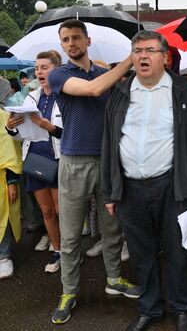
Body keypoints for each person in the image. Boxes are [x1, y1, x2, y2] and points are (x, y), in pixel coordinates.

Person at [102, 30, 187, 331]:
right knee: (140, 252)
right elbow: (109, 143)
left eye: (150, 50)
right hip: (130, 188)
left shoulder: (182, 91)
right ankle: (149, 308)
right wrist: (110, 192)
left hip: (172, 185)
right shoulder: (121, 91)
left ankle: (182, 308)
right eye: (137, 51)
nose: (143, 56)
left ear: (164, 56)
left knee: (176, 249)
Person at [47, 19, 138, 324]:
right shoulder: (59, 74)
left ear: (88, 40)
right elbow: (93, 89)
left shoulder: (103, 72)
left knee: (113, 229)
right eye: (66, 39)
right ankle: (69, 291)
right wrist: (130, 58)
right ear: (62, 44)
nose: (71, 43)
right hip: (74, 163)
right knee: (72, 235)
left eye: (76, 38)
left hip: (109, 161)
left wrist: (134, 68)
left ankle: (114, 279)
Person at [5, 50, 63, 273]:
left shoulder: (65, 96)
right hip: (35, 159)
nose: (39, 71)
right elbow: (21, 135)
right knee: (47, 211)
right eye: (37, 68)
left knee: (61, 211)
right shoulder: (30, 97)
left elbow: (72, 133)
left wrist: (51, 128)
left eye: (44, 67)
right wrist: (11, 127)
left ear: (56, 70)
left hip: (57, 159)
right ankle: (56, 250)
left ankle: (69, 251)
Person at [0, 81, 22, 279]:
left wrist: (12, 181)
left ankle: (3, 256)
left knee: (2, 216)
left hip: (1, 177)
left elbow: (10, 151)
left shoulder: (3, 116)